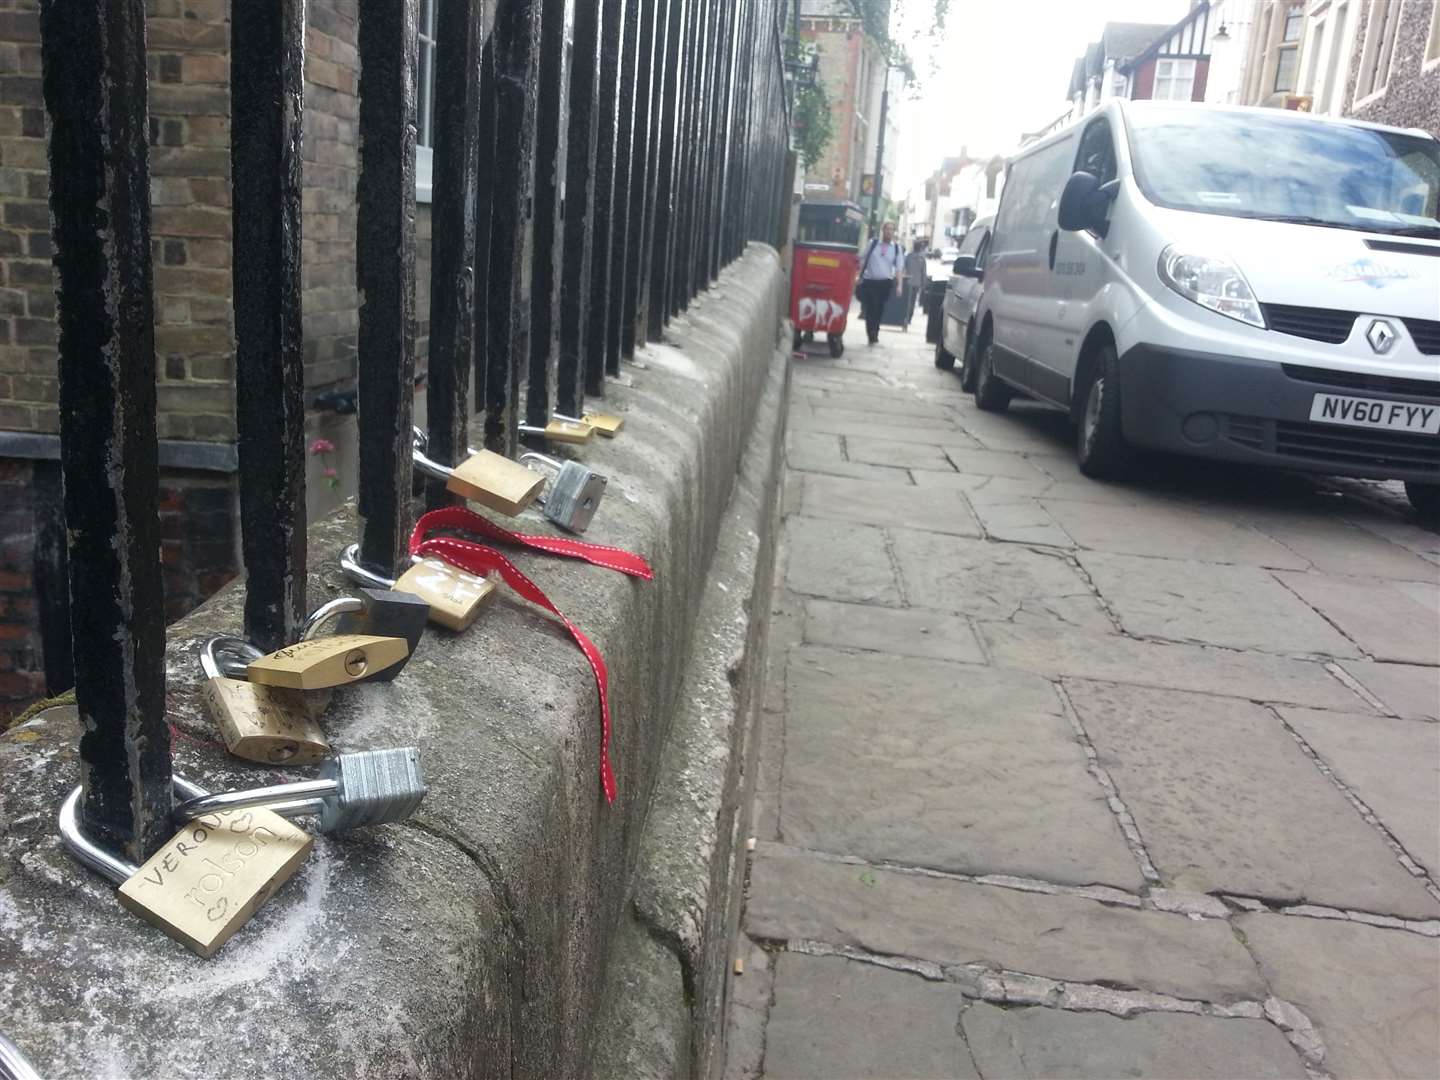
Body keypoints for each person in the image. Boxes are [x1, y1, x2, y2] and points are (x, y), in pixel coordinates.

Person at [853, 221, 903, 346]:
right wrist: (858, 274)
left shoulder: (896, 248)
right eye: (887, 229)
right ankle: (871, 334)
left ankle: (875, 331)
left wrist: (899, 285)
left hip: (885, 283)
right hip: (870, 281)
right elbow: (862, 258)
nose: (889, 232)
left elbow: (899, 268)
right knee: (871, 308)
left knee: (879, 308)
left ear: (894, 232)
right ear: (883, 230)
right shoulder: (873, 243)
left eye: (891, 229)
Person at [904, 239, 928, 328]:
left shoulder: (909, 256)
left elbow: (903, 267)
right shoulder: (922, 259)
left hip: (908, 281)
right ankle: (909, 318)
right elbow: (924, 272)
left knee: (907, 301)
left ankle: (906, 317)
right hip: (916, 283)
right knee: (912, 301)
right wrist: (924, 284)